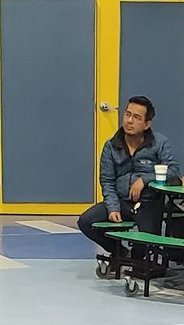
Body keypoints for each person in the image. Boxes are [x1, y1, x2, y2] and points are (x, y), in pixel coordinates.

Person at [76, 96, 177, 259]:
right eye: (127, 114)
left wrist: (144, 180)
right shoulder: (111, 146)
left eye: (136, 117)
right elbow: (107, 181)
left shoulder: (160, 143)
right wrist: (113, 208)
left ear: (147, 124)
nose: (130, 121)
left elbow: (173, 172)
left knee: (143, 246)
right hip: (121, 202)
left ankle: (138, 259)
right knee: (86, 222)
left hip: (148, 204)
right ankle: (120, 252)